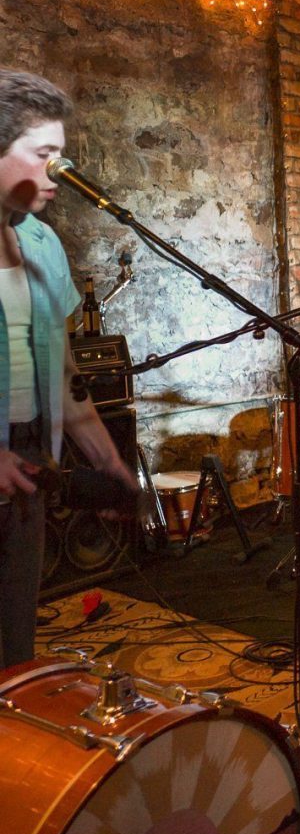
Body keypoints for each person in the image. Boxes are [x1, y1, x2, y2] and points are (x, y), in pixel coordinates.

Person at [0, 69, 136, 669]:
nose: (60, 169)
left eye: (63, 153)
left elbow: (62, 370)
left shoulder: (43, 243)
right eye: (43, 154)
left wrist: (105, 460)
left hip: (29, 459)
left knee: (13, 648)